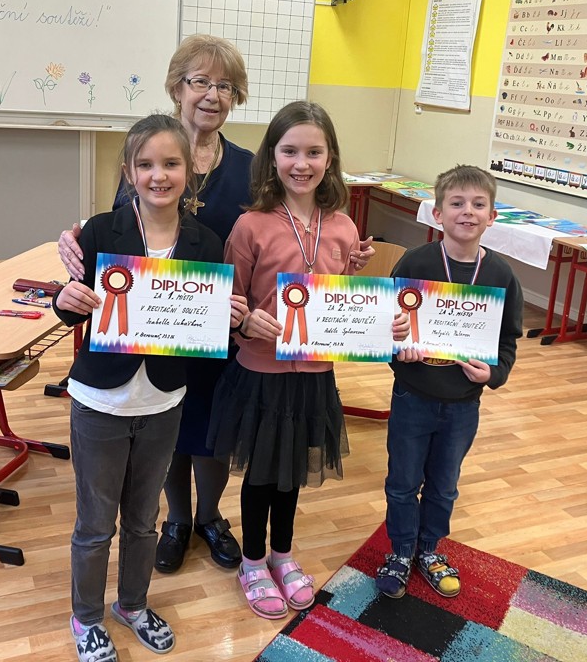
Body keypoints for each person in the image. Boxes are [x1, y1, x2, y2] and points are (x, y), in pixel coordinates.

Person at [58, 35, 375, 576]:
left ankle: (210, 517)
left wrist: (340, 265)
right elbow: (121, 231)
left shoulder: (250, 166)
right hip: (162, 322)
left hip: (229, 322)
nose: (212, 95)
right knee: (170, 424)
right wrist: (76, 239)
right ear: (176, 87)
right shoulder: (150, 152)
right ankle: (177, 520)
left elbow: (285, 228)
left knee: (213, 427)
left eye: (225, 86)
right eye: (200, 81)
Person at [206, 100, 409, 619]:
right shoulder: (250, 225)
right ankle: (253, 562)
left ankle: (282, 555)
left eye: (314, 152)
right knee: (260, 475)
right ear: (272, 156)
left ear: (330, 157)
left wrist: (368, 301)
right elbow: (229, 301)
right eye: (290, 151)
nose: (302, 163)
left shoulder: (342, 227)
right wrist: (245, 321)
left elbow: (338, 302)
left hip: (315, 375)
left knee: (292, 471)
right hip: (260, 373)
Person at [53, 114, 245, 662]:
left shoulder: (206, 243)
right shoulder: (99, 232)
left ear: (189, 172)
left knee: (143, 522)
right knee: (96, 524)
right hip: (100, 401)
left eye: (171, 164)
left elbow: (202, 328)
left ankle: (132, 605)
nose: (158, 175)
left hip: (163, 401)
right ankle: (87, 617)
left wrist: (228, 318)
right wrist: (64, 301)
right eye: (145, 164)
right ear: (128, 171)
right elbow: (74, 308)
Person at [375, 164, 524, 600]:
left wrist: (493, 373)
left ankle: (429, 549)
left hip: (463, 404)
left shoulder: (501, 275)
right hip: (413, 397)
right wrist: (398, 346)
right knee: (403, 482)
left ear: (492, 216)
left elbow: (508, 340)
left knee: (444, 486)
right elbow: (386, 325)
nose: (467, 212)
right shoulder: (416, 263)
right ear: (437, 213)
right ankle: (401, 551)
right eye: (457, 203)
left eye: (478, 204)